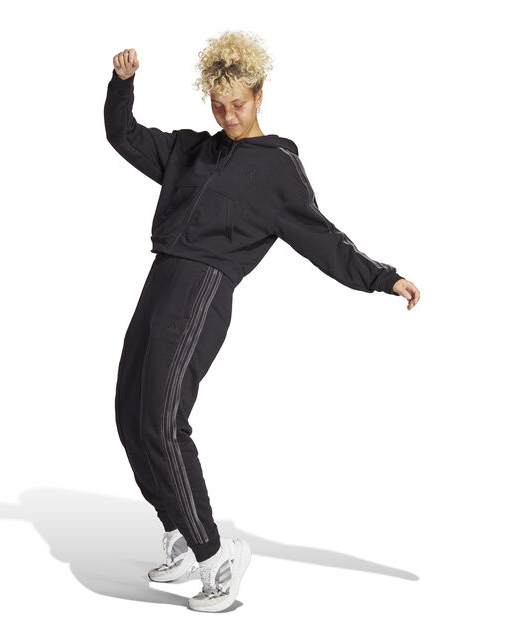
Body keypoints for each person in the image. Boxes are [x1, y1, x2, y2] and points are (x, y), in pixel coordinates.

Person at [105, 30, 420, 613]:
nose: (228, 116)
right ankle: (179, 531)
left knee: (163, 419)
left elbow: (322, 238)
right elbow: (122, 135)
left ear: (258, 95)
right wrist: (122, 85)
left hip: (203, 290)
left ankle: (216, 556)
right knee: (129, 413)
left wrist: (382, 277)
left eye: (238, 104)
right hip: (160, 280)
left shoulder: (276, 168)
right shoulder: (190, 151)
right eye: (218, 105)